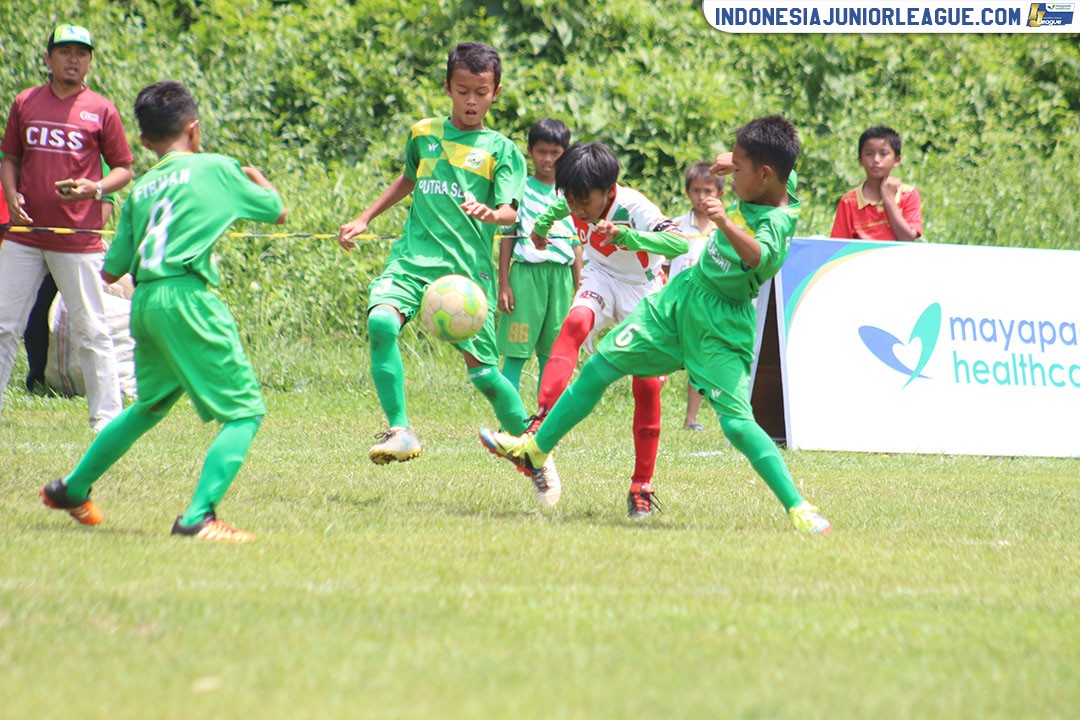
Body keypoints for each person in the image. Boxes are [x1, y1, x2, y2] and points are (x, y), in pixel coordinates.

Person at [480, 116, 833, 535]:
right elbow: (768, 169)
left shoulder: (777, 224)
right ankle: (535, 450)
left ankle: (799, 506)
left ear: (765, 174)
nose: (729, 177)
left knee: (737, 424)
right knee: (601, 365)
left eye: (738, 170)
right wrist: (731, 159)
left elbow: (760, 257)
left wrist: (723, 222)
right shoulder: (775, 180)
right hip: (680, 299)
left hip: (721, 325)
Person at [39, 80, 287, 543]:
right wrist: (256, 178)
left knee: (149, 406)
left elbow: (112, 271)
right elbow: (277, 211)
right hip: (188, 298)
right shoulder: (215, 168)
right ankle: (198, 517)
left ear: (147, 141)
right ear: (194, 130)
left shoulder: (144, 186)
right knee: (244, 412)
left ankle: (71, 488)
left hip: (146, 301)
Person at [337, 43, 564, 502]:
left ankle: (533, 451)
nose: (471, 101)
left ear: (496, 92)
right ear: (447, 88)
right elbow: (408, 178)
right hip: (411, 261)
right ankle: (400, 430)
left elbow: (510, 212)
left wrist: (490, 213)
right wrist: (365, 217)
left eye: (481, 92)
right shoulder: (423, 134)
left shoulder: (501, 150)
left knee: (484, 375)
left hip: (465, 278)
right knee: (380, 322)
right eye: (463, 90)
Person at [487, 141, 688, 517]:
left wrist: (629, 237)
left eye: (584, 202)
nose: (577, 209)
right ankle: (541, 423)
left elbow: (677, 242)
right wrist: (541, 230)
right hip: (600, 276)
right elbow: (556, 208)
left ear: (609, 191)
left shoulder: (634, 206)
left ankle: (641, 486)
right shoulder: (575, 197)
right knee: (575, 322)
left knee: (645, 385)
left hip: (642, 290)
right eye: (571, 199)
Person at [0, 24, 133, 430]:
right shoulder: (26, 103)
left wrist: (96, 188)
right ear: (48, 58)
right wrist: (11, 195)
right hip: (24, 235)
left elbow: (125, 169)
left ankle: (105, 417)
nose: (73, 59)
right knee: (4, 324)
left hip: (77, 239)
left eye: (81, 52)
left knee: (91, 328)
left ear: (90, 60)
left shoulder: (101, 109)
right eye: (64, 51)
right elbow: (10, 157)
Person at [496, 118, 581, 396]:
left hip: (560, 280)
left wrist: (579, 288)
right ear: (530, 151)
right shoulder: (520, 189)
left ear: (565, 154)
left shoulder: (573, 193)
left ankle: (544, 422)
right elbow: (508, 236)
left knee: (553, 354)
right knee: (516, 352)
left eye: (555, 153)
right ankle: (509, 419)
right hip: (526, 278)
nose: (547, 159)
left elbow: (576, 244)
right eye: (541, 151)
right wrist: (504, 284)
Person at [23, 165, 116, 394]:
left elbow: (107, 200)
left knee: (87, 314)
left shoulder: (94, 155)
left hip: (78, 250)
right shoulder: (36, 152)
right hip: (40, 246)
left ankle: (94, 380)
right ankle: (39, 377)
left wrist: (86, 241)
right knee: (35, 309)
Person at [668, 161, 723, 432]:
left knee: (699, 360)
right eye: (697, 190)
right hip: (678, 302)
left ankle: (691, 419)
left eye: (708, 191)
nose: (702, 197)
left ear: (719, 193)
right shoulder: (676, 226)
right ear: (688, 192)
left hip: (710, 304)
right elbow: (662, 263)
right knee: (664, 355)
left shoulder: (725, 230)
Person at [830, 125, 922, 241]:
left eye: (883, 154)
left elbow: (907, 238)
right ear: (860, 160)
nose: (876, 160)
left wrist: (888, 199)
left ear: (897, 160)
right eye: (869, 154)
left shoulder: (908, 195)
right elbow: (838, 246)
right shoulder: (849, 202)